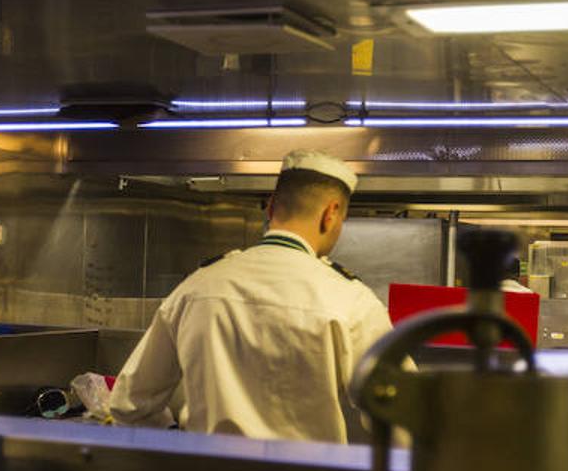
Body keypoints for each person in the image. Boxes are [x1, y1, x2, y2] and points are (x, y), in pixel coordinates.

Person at [109, 150, 394, 443]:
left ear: (270, 209)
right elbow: (401, 418)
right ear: (330, 215)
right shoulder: (351, 300)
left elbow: (129, 405)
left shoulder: (197, 287)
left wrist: (175, 442)